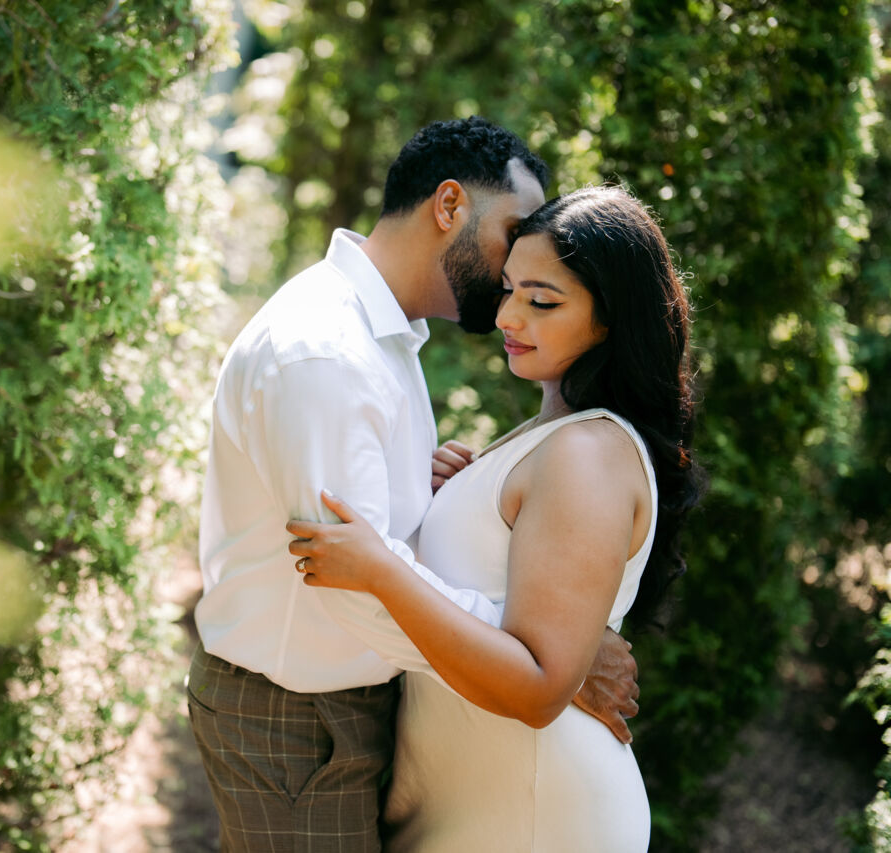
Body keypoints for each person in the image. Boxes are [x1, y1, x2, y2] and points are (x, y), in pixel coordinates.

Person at [188, 118, 641, 852]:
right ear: (450, 205)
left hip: (338, 710)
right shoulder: (326, 353)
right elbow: (352, 588)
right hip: (296, 720)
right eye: (513, 231)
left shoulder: (381, 337)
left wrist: (439, 500)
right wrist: (543, 655)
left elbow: (375, 547)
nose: (517, 262)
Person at [287, 185, 703, 851]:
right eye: (509, 289)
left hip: (534, 808)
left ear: (611, 317)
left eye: (543, 301)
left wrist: (381, 569)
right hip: (473, 791)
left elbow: (538, 688)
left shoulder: (587, 453)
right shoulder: (553, 435)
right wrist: (459, 493)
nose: (508, 315)